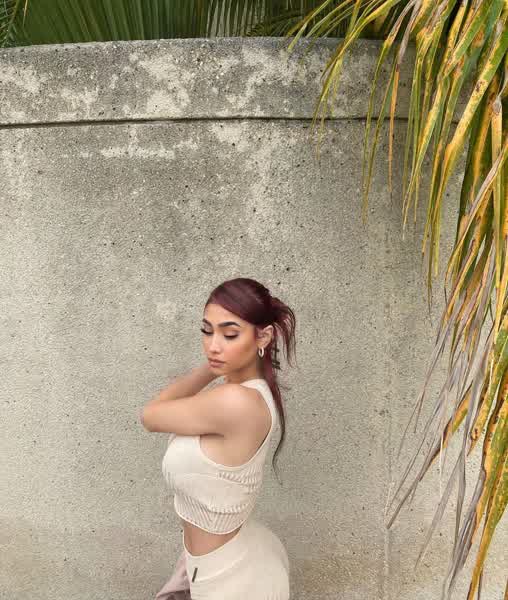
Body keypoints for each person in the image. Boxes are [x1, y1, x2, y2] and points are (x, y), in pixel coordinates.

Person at [140, 277, 297, 599]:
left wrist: (211, 369)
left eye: (230, 334)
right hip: (224, 560)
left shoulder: (235, 402)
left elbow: (151, 416)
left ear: (263, 336)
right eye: (207, 331)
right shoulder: (248, 392)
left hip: (230, 581)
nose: (213, 345)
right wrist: (218, 365)